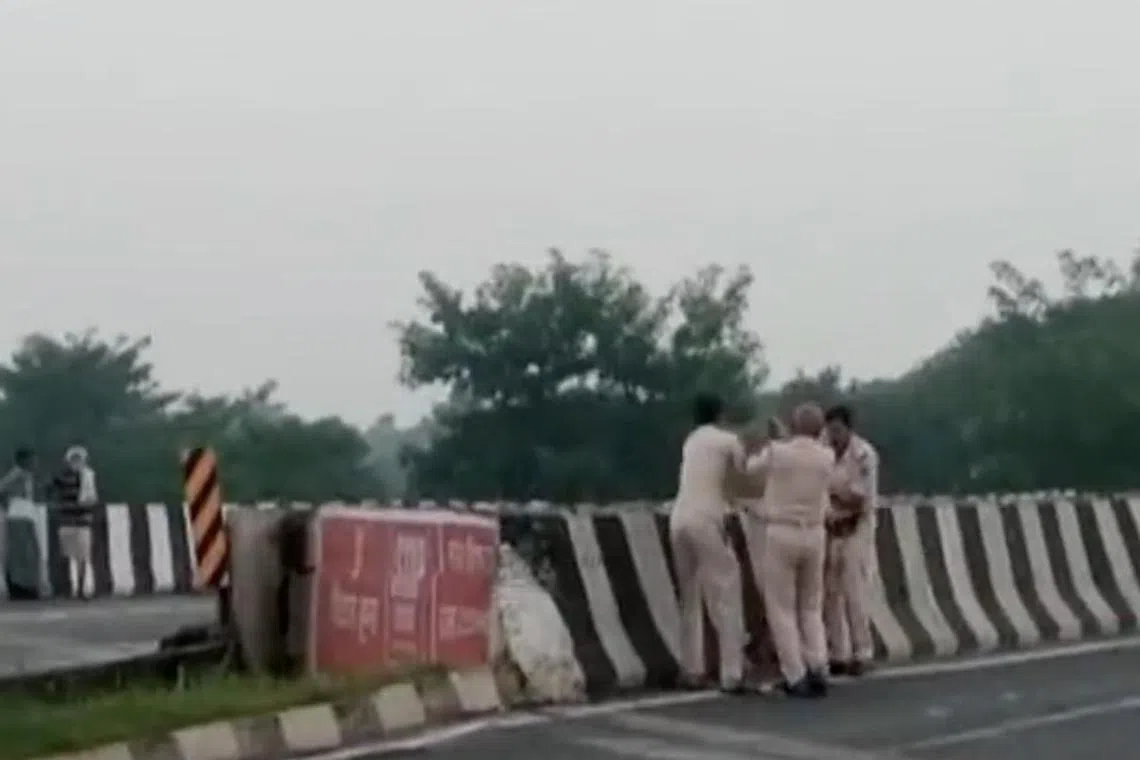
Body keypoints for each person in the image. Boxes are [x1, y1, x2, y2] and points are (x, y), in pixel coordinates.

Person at [747, 403, 834, 697]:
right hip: (815, 533)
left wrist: (776, 440)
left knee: (781, 608)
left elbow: (750, 468)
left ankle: (795, 674)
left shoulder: (777, 452)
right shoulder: (827, 456)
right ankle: (819, 664)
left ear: (793, 426)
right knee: (811, 606)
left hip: (781, 531)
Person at [670, 392, 748, 694]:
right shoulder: (727, 441)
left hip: (679, 517)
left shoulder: (691, 441)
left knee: (689, 595)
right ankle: (732, 672)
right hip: (706, 518)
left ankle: (692, 668)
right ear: (721, 413)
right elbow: (742, 477)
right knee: (726, 591)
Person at [822, 404, 879, 677]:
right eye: (829, 429)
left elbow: (859, 498)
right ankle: (838, 652)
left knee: (854, 590)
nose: (833, 435)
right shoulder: (824, 452)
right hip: (831, 526)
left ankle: (862, 650)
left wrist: (834, 493)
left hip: (857, 526)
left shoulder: (863, 454)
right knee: (830, 592)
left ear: (848, 428)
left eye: (837, 430)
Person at [50, 445, 98, 599]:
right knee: (67, 557)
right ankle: (69, 588)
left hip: (82, 522)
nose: (76, 461)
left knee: (82, 557)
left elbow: (92, 499)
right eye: (74, 459)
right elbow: (50, 489)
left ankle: (82, 588)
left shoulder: (88, 477)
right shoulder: (62, 477)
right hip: (67, 521)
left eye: (79, 459)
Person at [0, 447, 36, 594]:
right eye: (31, 459)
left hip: (26, 513)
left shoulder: (27, 475)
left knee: (27, 553)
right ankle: (18, 587)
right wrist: (7, 506)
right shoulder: (16, 474)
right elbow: (1, 489)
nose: (34, 462)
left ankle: (26, 585)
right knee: (19, 553)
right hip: (17, 515)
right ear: (23, 460)